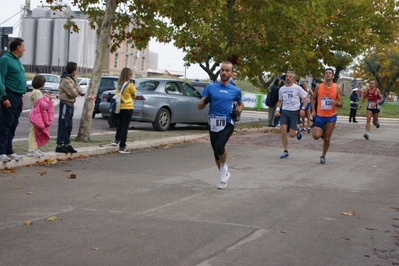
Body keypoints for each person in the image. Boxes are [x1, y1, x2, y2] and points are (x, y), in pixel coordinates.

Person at [198, 61, 244, 189]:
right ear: (220, 71)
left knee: (219, 146)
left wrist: (237, 112)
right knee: (215, 152)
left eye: (227, 70)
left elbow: (241, 104)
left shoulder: (235, 90)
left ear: (231, 73)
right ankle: (224, 174)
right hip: (213, 122)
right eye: (222, 70)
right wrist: (206, 101)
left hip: (227, 122)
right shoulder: (210, 87)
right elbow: (199, 106)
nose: (224, 72)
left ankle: (223, 171)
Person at [0, 38, 26, 162]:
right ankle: (1, 151)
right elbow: (1, 78)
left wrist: (20, 97)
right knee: (5, 124)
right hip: (9, 96)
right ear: (17, 47)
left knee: (13, 125)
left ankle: (8, 150)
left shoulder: (17, 61)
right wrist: (4, 96)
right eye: (23, 46)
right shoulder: (5, 59)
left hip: (17, 97)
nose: (24, 49)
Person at [311, 68, 343, 164]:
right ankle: (323, 132)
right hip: (320, 115)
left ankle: (323, 156)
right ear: (324, 76)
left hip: (331, 116)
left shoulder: (337, 88)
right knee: (316, 136)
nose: (328, 74)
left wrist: (335, 103)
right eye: (326, 73)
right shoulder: (319, 87)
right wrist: (313, 110)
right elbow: (313, 99)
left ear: (333, 76)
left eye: (329, 73)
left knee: (327, 138)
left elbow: (341, 103)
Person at [274, 71, 309, 159]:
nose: (288, 78)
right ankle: (285, 151)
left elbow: (306, 99)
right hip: (285, 111)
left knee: (292, 135)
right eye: (287, 76)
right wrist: (277, 110)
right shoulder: (281, 89)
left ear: (293, 79)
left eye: (290, 77)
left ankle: (297, 131)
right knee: (283, 130)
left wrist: (303, 109)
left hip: (294, 112)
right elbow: (280, 101)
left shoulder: (297, 88)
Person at [55, 62, 82, 153]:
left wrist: (76, 89)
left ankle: (67, 143)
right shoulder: (66, 80)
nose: (77, 71)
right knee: (63, 124)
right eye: (76, 69)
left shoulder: (72, 79)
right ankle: (60, 144)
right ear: (73, 70)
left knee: (69, 126)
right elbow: (73, 93)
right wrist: (76, 90)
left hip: (71, 104)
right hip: (65, 104)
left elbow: (80, 90)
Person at [111, 68, 137, 154]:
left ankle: (116, 140)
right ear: (129, 75)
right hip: (128, 107)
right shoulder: (130, 85)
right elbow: (134, 95)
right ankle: (122, 146)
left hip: (120, 107)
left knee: (120, 124)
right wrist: (134, 86)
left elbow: (118, 94)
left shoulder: (118, 84)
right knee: (125, 127)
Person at [27, 75, 54, 157]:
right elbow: (42, 105)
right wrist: (47, 99)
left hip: (36, 115)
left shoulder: (36, 92)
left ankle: (35, 148)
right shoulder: (37, 93)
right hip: (36, 116)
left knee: (36, 132)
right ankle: (31, 149)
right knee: (34, 132)